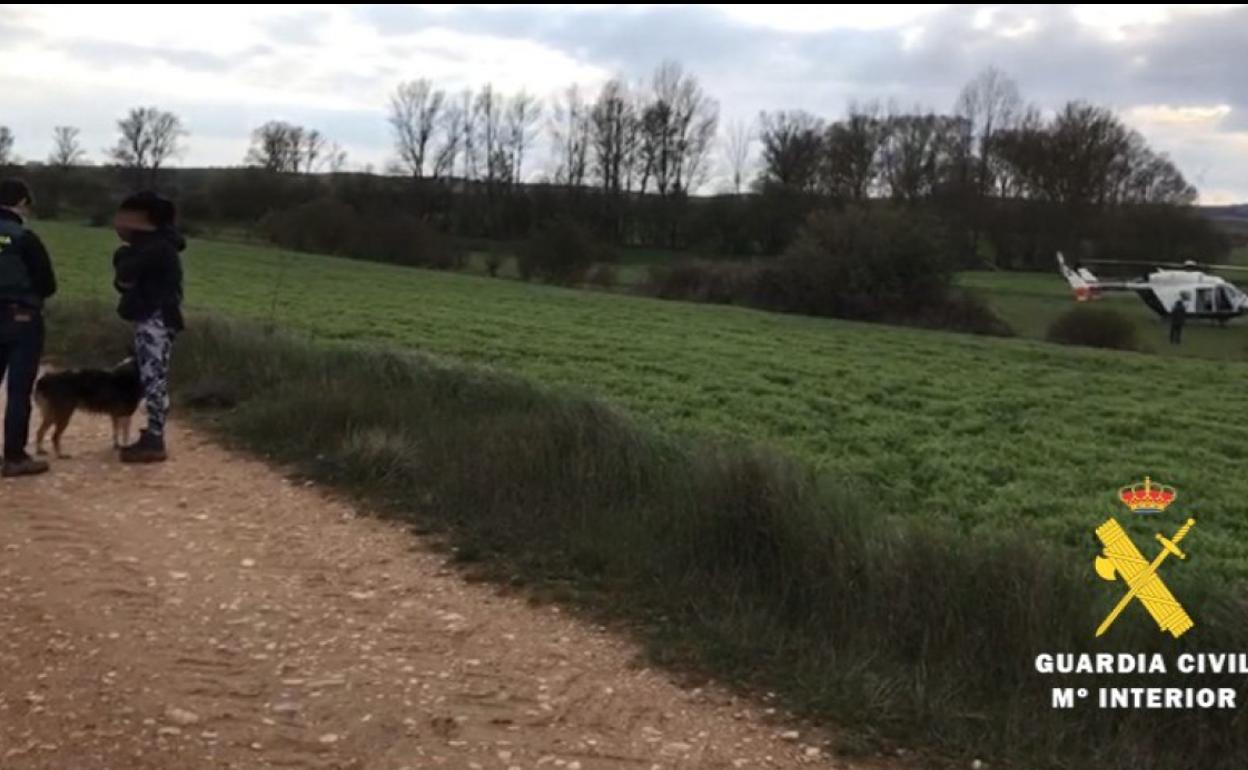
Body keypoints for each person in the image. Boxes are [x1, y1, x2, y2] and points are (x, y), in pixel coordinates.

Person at [112, 191, 185, 463]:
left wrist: (122, 258)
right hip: (156, 317)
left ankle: (154, 438)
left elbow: (125, 277)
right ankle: (153, 434)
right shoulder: (159, 246)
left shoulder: (154, 248)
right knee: (152, 376)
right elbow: (125, 281)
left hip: (155, 319)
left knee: (154, 378)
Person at [0, 179, 56, 478]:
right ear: (21, 203)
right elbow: (48, 285)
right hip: (21, 319)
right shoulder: (25, 238)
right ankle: (14, 457)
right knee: (19, 391)